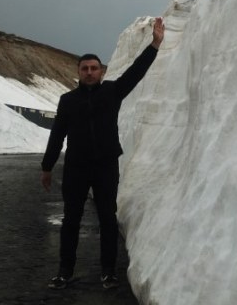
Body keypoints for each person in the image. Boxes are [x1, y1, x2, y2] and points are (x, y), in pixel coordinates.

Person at [40, 17, 165, 290]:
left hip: (106, 165)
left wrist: (154, 45)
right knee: (71, 219)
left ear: (101, 72)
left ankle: (108, 271)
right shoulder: (67, 101)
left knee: (108, 217)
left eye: (94, 68)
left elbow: (135, 72)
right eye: (84, 68)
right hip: (76, 167)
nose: (89, 72)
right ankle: (64, 271)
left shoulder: (111, 92)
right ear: (78, 72)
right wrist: (47, 166)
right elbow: (57, 134)